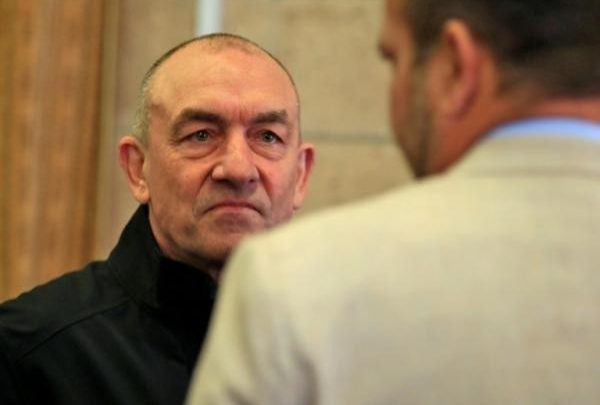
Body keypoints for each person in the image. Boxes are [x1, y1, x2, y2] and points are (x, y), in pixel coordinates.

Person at [186, 0, 600, 403]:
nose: (237, 169)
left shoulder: (293, 282)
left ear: (455, 67)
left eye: (394, 60)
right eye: (200, 135)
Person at [0, 33, 314, 405]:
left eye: (268, 137)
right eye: (201, 135)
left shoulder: (341, 346)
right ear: (138, 169)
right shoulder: (26, 354)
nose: (238, 168)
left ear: (300, 176)